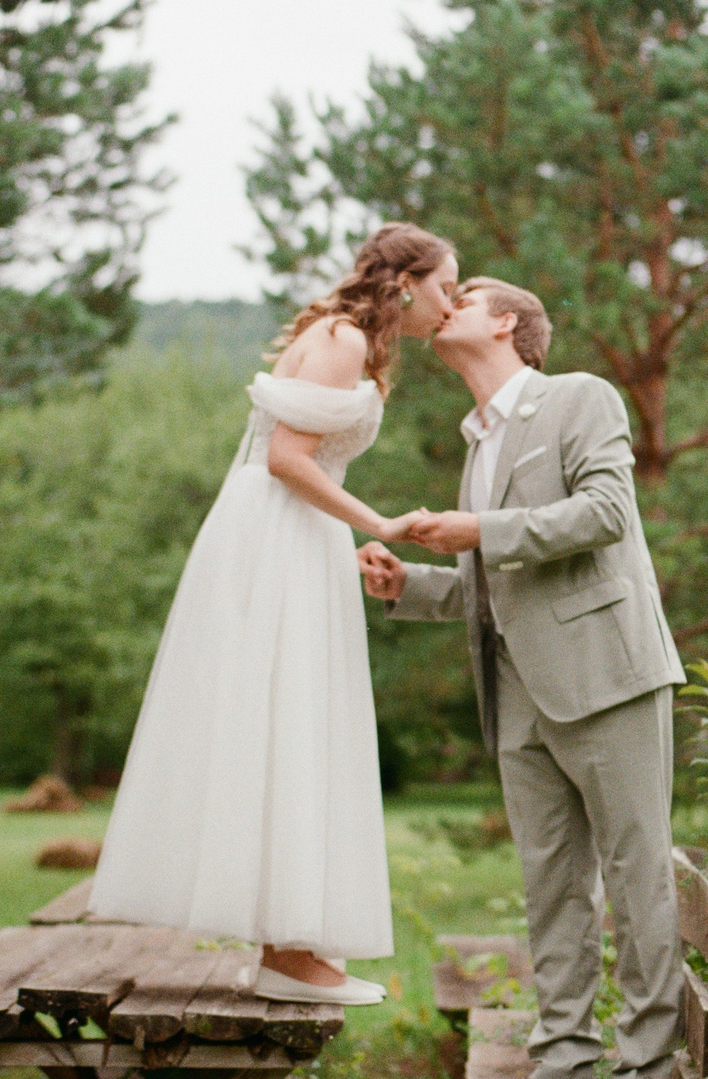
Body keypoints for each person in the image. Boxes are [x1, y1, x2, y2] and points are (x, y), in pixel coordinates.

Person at [89, 223, 459, 1007]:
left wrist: (339, 544)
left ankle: (291, 945)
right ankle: (286, 951)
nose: (450, 304)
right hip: (279, 535)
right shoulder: (343, 339)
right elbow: (288, 459)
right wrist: (380, 523)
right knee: (287, 718)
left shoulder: (349, 339)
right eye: (445, 287)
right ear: (405, 284)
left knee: (295, 722)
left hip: (295, 536)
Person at [358, 277, 690, 1079]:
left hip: (607, 675)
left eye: (465, 294)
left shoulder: (579, 396)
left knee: (636, 875)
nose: (446, 301)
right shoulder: (478, 442)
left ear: (507, 322)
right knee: (551, 887)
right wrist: (407, 585)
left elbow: (607, 513)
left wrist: (479, 531)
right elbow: (493, 582)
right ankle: (565, 1070)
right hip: (517, 695)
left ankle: (647, 1076)